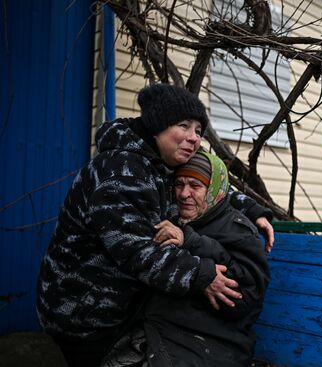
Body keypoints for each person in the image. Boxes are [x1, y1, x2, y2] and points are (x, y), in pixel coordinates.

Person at [36, 84, 273, 367]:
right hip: (83, 309)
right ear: (157, 126)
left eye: (199, 130)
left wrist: (252, 209)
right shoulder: (121, 170)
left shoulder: (157, 162)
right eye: (183, 125)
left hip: (116, 305)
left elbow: (211, 185)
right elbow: (137, 251)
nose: (193, 138)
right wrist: (202, 276)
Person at [103, 151, 270, 367]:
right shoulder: (174, 217)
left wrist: (192, 244)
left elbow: (242, 300)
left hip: (211, 343)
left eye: (195, 185)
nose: (184, 194)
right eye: (179, 184)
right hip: (159, 331)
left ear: (214, 190)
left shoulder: (238, 230)